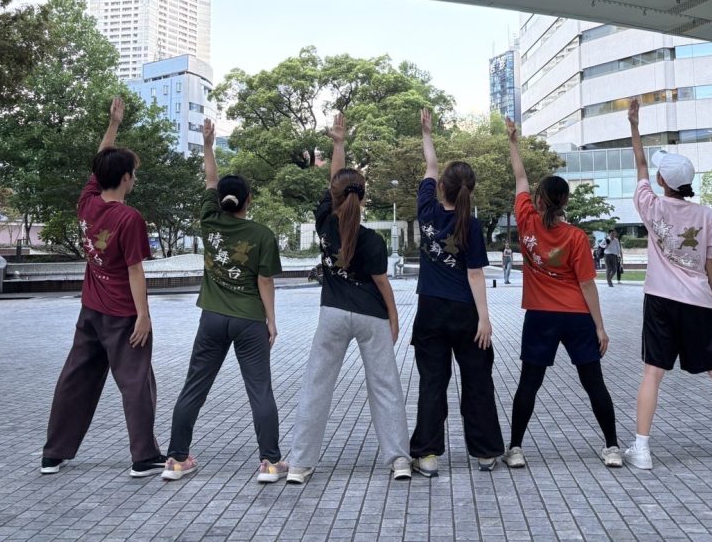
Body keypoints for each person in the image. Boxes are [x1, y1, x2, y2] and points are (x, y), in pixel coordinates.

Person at [40, 96, 166, 477]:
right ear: (126, 177)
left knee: (75, 378)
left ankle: (53, 454)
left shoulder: (88, 203)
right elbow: (135, 271)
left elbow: (99, 162)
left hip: (91, 311)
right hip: (122, 315)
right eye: (134, 173)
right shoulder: (129, 218)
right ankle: (144, 457)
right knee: (136, 382)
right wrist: (143, 316)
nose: (135, 178)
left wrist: (113, 124)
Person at [623, 100, 712, 470]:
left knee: (653, 372)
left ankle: (642, 449)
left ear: (663, 181)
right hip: (699, 300)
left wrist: (634, 125)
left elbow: (640, 165)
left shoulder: (651, 206)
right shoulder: (706, 215)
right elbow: (710, 264)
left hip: (660, 299)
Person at [287, 113, 411, 484]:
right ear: (364, 197)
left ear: (335, 197)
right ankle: (399, 461)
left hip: (333, 315)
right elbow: (383, 284)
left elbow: (333, 182)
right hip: (371, 316)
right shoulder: (373, 240)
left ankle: (299, 465)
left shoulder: (325, 224)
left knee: (316, 386)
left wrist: (337, 144)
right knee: (385, 387)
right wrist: (394, 319)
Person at [162, 119, 286, 482]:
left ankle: (176, 459)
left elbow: (210, 181)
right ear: (249, 201)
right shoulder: (261, 234)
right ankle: (270, 462)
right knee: (260, 390)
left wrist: (208, 145)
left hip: (212, 318)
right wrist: (271, 321)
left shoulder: (209, 220)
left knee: (194, 387)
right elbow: (265, 281)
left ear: (220, 202)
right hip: (249, 320)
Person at [502, 117, 622, 469]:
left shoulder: (526, 220)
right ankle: (612, 447)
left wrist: (513, 142)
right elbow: (586, 284)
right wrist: (599, 327)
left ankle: (516, 448)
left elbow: (520, 179)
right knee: (594, 383)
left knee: (529, 383)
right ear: (566, 200)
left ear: (538, 200)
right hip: (576, 317)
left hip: (540, 316)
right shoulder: (576, 237)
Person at [409, 109, 504, 477]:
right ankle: (485, 452)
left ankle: (428, 455)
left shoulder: (426, 210)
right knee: (477, 381)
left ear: (441, 189)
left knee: (432, 382)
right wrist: (485, 319)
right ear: (470, 191)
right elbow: (475, 274)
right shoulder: (472, 225)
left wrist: (427, 133)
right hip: (466, 313)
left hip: (430, 312)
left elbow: (430, 166)